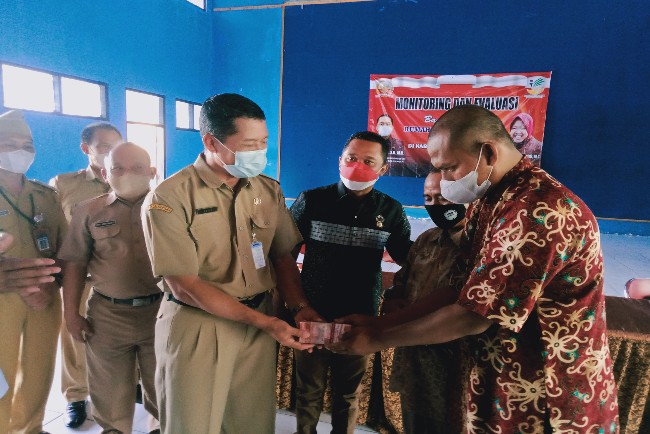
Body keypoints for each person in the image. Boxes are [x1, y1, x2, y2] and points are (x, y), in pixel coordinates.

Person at [330, 104, 620, 433]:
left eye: (450, 168)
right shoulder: (490, 200)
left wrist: (378, 338)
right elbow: (462, 288)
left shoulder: (539, 210)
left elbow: (475, 314)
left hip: (547, 394)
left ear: (489, 153)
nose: (445, 182)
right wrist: (381, 322)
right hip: (499, 384)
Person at [141, 93, 320, 434]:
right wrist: (266, 323)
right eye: (250, 144)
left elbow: (281, 255)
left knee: (252, 424)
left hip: (259, 321)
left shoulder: (267, 190)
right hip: (199, 323)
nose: (260, 152)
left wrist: (299, 307)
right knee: (192, 425)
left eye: (263, 142)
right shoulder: (170, 197)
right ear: (212, 142)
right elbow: (185, 285)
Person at [289, 131, 412, 434]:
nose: (357, 166)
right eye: (351, 158)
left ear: (383, 168)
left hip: (360, 318)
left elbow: (409, 259)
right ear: (340, 160)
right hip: (312, 314)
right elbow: (283, 255)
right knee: (308, 392)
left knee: (348, 395)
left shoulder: (391, 210)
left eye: (368, 161)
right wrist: (295, 306)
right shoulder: (312, 200)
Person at [59, 142, 161, 433]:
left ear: (152, 172)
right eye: (118, 168)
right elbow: (75, 263)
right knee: (109, 392)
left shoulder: (170, 208)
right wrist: (71, 314)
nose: (127, 174)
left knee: (163, 387)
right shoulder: (88, 211)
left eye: (137, 168)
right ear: (105, 174)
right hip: (108, 316)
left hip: (160, 313)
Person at [381, 168, 468, 434]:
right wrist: (392, 300)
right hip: (414, 363)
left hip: (456, 368)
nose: (435, 205)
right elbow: (401, 283)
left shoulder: (481, 245)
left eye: (442, 197)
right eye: (428, 198)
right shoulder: (426, 239)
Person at [49, 121, 122, 428]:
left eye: (115, 146)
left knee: (123, 336)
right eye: (103, 147)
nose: (110, 152)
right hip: (79, 279)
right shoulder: (64, 185)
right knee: (75, 340)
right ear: (86, 149)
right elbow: (51, 228)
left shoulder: (130, 179)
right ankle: (76, 397)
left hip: (122, 278)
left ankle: (126, 387)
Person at [0, 110, 67, 434]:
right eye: (9, 144)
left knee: (40, 369)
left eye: (27, 145)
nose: (20, 151)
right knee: (3, 376)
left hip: (45, 297)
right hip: (3, 300)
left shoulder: (46, 196)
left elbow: (65, 248)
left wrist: (53, 283)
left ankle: (32, 428)